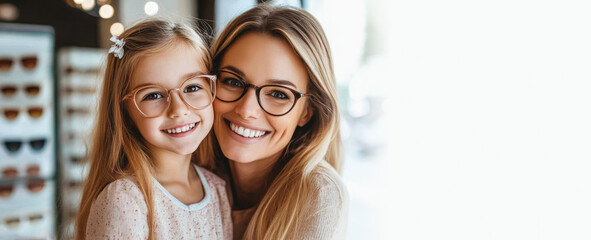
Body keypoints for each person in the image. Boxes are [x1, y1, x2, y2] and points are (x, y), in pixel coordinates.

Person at [198, 4, 348, 239]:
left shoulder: (319, 192)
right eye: (233, 82)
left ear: (308, 112)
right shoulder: (184, 170)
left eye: (278, 94)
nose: (247, 110)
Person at [75, 18, 232, 239]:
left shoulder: (217, 188)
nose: (178, 109)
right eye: (153, 95)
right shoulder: (126, 200)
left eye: (192, 87)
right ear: (126, 113)